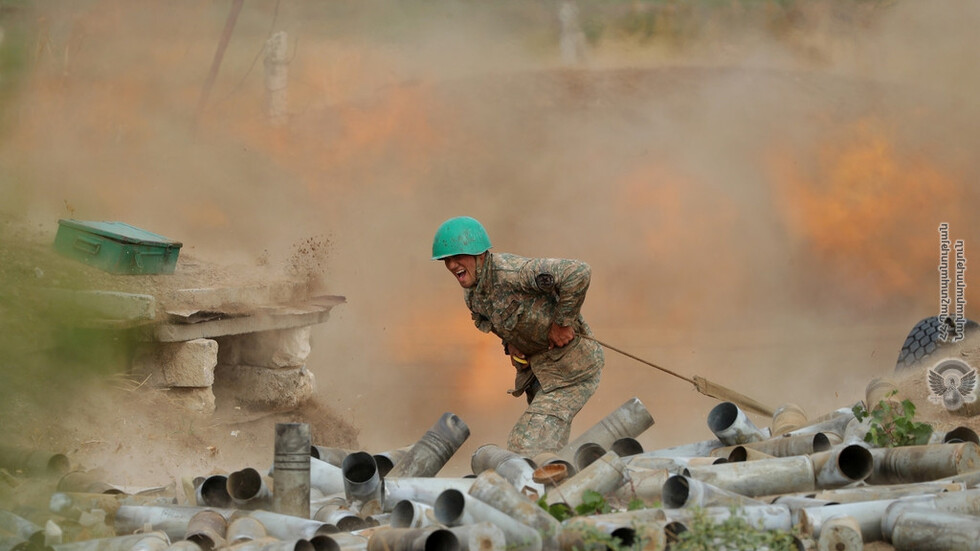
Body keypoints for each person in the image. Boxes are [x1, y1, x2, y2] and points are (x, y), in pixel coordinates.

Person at [431, 215, 604, 457]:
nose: (451, 265)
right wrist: (511, 344)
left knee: (527, 446)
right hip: (540, 376)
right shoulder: (474, 295)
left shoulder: (514, 273)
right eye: (446, 260)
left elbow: (578, 272)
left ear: (480, 255)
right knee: (547, 449)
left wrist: (562, 323)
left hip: (572, 372)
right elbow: (500, 320)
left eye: (457, 257)